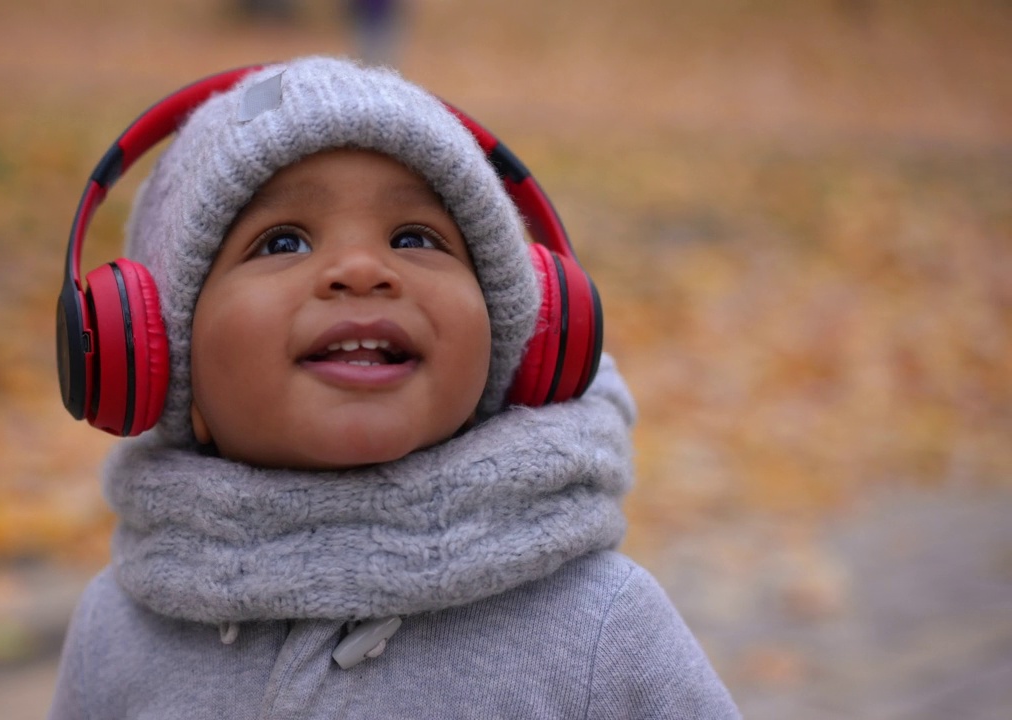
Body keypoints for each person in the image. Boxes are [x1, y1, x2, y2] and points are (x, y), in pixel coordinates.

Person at [47, 56, 739, 719]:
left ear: (517, 339)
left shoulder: (599, 627)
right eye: (282, 242)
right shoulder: (118, 633)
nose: (360, 269)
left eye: (415, 237)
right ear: (157, 354)